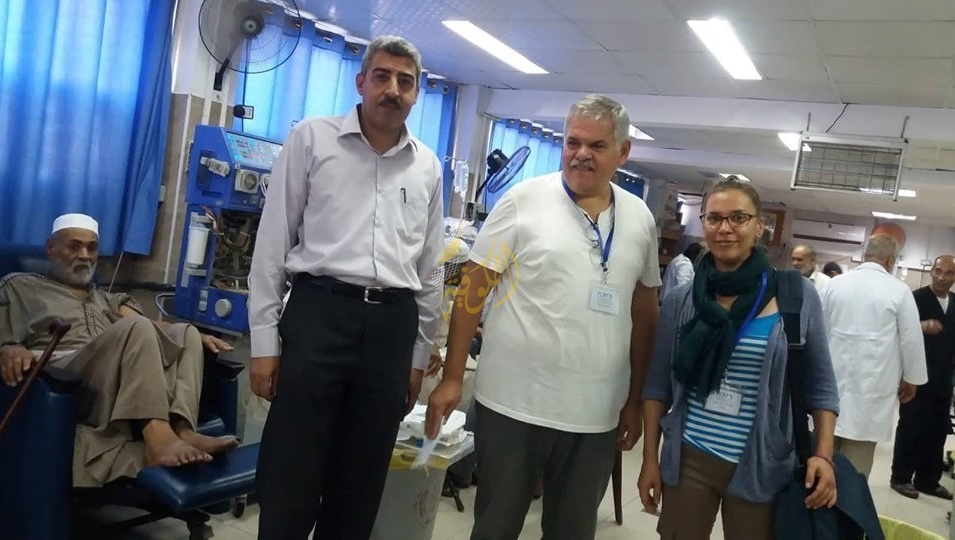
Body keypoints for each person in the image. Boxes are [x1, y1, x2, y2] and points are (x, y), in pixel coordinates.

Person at [426, 94, 661, 540]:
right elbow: (473, 290)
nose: (581, 154)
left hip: (595, 415)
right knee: (495, 527)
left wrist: (633, 399)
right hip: (512, 405)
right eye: (573, 142)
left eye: (596, 145)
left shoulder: (640, 219)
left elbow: (645, 312)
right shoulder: (523, 200)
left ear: (623, 151)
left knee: (573, 530)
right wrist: (453, 377)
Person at [247, 35, 444, 540]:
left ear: (416, 94)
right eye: (382, 76)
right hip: (319, 315)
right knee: (292, 471)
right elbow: (272, 245)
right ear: (361, 82)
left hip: (391, 330)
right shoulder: (312, 140)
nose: (392, 89)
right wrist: (264, 344)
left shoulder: (427, 166)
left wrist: (419, 355)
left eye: (405, 81)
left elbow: (430, 270)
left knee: (360, 481)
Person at [639, 179, 839, 540]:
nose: (725, 228)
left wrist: (823, 455)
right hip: (689, 456)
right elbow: (657, 387)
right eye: (714, 218)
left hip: (762, 460)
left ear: (759, 226)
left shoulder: (795, 295)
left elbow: (822, 386)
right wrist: (650, 459)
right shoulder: (682, 300)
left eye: (738, 217)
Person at [0, 213, 237, 487]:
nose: (85, 255)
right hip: (60, 376)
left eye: (92, 248)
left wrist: (197, 334)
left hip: (111, 376)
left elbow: (154, 326)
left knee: (185, 332)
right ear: (51, 248)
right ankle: (158, 438)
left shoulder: (106, 299)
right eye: (74, 246)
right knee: (137, 327)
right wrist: (5, 347)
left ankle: (183, 429)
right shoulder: (19, 286)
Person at [820, 234, 927, 478]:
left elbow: (818, 333)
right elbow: (911, 339)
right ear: (890, 260)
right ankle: (851, 500)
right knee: (855, 467)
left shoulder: (834, 285)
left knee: (823, 452)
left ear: (864, 255)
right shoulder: (899, 290)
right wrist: (912, 380)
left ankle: (819, 501)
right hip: (871, 391)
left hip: (829, 387)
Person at [890, 255, 955, 500]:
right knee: (911, 428)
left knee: (937, 432)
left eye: (948, 273)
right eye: (938, 271)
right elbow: (897, 330)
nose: (941, 277)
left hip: (944, 380)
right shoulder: (915, 299)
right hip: (916, 379)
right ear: (931, 272)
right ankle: (900, 477)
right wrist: (922, 325)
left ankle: (928, 480)